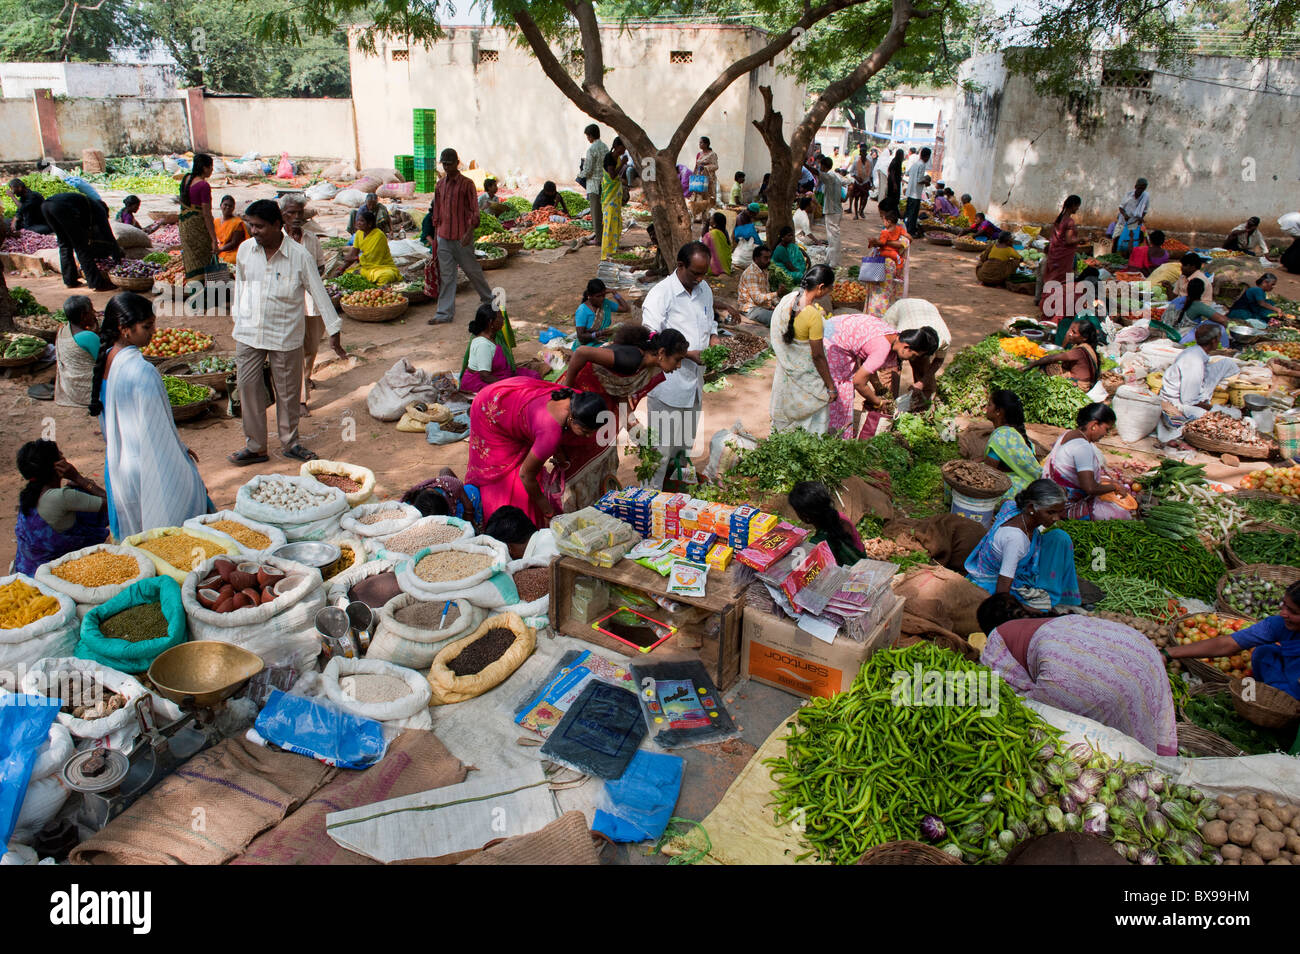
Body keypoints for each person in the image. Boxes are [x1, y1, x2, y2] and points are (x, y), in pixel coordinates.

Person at [977, 594, 1177, 756]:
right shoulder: (1052, 620)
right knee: (1129, 719)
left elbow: (992, 694)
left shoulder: (997, 638)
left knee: (1054, 731)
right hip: (1141, 650)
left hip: (1070, 672)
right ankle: (1147, 761)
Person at [228, 199, 343, 466]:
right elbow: (240, 287)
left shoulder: (299, 256)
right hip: (249, 332)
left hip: (284, 333)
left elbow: (318, 291)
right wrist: (237, 317)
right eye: (251, 225)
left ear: (278, 225)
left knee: (288, 392)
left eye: (259, 226)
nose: (254, 231)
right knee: (248, 388)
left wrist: (334, 329)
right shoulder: (245, 251)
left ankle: (290, 443)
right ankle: (256, 447)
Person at [88, 292, 211, 538]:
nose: (154, 331)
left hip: (120, 463)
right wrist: (179, 455)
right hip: (145, 463)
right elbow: (157, 432)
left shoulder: (108, 359)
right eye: (147, 326)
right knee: (167, 525)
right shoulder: (142, 372)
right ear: (125, 329)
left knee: (135, 530)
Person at [560, 325, 689, 508]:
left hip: (601, 403)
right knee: (579, 459)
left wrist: (636, 430)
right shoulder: (630, 359)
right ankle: (574, 509)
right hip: (580, 402)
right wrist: (567, 392)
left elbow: (619, 391)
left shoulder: (642, 364)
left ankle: (595, 507)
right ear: (661, 352)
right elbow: (581, 352)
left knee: (605, 455)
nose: (679, 366)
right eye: (678, 359)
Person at [641, 242, 724, 487]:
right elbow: (650, 338)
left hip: (694, 384)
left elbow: (710, 322)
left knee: (684, 445)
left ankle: (677, 491)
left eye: (703, 273)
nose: (700, 278)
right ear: (680, 266)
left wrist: (714, 338)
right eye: (695, 273)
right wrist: (687, 354)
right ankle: (650, 497)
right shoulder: (661, 294)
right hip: (669, 386)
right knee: (661, 449)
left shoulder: (704, 289)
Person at [465, 380, 604, 524]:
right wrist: (547, 511)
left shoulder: (577, 400)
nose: (589, 436)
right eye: (585, 431)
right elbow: (525, 475)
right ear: (572, 418)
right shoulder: (550, 435)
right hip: (489, 410)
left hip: (506, 397)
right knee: (506, 478)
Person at [1166, 581, 1300, 701]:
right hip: (1287, 677)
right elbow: (1228, 643)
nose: (1283, 613)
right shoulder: (1279, 624)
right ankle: (1272, 695)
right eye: (1284, 605)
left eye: (1293, 612)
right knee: (1264, 652)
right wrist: (1169, 653)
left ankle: (1283, 703)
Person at [965, 479, 1080, 610]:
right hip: (994, 581)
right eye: (1051, 512)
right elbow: (1003, 587)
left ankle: (1059, 594)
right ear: (1031, 508)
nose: (1056, 518)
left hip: (1016, 562)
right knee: (1039, 610)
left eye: (1059, 512)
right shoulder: (1016, 539)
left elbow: (1004, 502)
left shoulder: (1014, 507)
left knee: (1060, 537)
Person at [280, 194, 342, 414]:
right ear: (282, 214)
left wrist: (309, 277)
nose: (296, 217)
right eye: (291, 213)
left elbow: (321, 267)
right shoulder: (276, 239)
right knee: (294, 349)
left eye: (299, 212)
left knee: (311, 346)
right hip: (287, 303)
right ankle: (301, 399)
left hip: (311, 300)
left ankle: (306, 378)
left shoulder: (311, 239)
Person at [824, 316, 937, 438]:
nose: (913, 359)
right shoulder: (882, 348)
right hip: (832, 341)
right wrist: (878, 402)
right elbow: (858, 382)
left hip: (833, 330)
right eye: (914, 355)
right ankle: (835, 435)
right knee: (842, 388)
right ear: (906, 347)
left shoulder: (892, 334)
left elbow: (866, 359)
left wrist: (877, 387)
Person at [14, 440, 109, 576]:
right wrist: (78, 478)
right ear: (58, 466)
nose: (65, 459)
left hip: (25, 569)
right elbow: (114, 504)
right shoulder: (62, 497)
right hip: (49, 577)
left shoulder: (29, 495)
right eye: (61, 456)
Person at [770, 264, 837, 434]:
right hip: (807, 381)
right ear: (821, 287)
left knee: (786, 432)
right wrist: (830, 386)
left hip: (786, 379)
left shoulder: (787, 299)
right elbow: (818, 357)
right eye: (829, 289)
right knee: (811, 427)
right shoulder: (812, 315)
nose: (828, 293)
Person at [429, 148, 494, 325]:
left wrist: (469, 233)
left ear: (457, 163)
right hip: (443, 236)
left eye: (450, 164)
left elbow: (474, 211)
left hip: (461, 237)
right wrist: (436, 238)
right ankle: (444, 313)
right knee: (447, 276)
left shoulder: (467, 184)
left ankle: (489, 299)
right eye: (444, 164)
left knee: (472, 270)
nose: (447, 167)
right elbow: (437, 212)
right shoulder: (440, 185)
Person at [1041, 403, 1133, 520]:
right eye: (1106, 429)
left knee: (1108, 484)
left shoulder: (1069, 434)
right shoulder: (1082, 447)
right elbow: (1089, 488)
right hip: (1063, 504)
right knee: (1122, 514)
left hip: (1051, 492)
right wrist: (1115, 487)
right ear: (1094, 425)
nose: (1106, 434)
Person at [1156, 322, 1239, 449]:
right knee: (1227, 417)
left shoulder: (1195, 352)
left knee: (1227, 363)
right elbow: (1188, 400)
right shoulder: (1194, 362)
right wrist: (1212, 408)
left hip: (1189, 395)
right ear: (1213, 341)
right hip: (1177, 403)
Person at [40, 191, 120, 291]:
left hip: (46, 207)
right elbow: (108, 234)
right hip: (60, 207)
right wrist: (118, 256)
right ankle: (96, 283)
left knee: (64, 244)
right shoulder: (100, 211)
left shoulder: (86, 205)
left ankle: (70, 280)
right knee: (81, 247)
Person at [880, 298, 951, 408]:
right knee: (889, 370)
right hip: (901, 310)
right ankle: (887, 406)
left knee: (923, 370)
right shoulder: (903, 333)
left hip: (926, 309)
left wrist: (922, 383)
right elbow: (892, 361)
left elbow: (938, 360)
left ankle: (922, 408)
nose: (913, 358)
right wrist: (893, 395)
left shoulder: (945, 339)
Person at [460, 303, 543, 393]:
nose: (503, 320)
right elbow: (485, 375)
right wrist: (509, 385)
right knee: (523, 390)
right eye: (500, 317)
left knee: (533, 377)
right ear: (491, 322)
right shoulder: (483, 345)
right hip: (481, 382)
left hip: (497, 374)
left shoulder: (492, 336)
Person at [789, 480, 866, 566]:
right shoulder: (840, 517)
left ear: (805, 517)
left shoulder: (818, 543)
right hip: (863, 562)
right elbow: (859, 547)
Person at [983, 390, 1041, 500]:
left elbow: (987, 472)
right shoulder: (1016, 434)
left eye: (989, 404)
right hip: (1031, 486)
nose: (986, 407)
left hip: (1016, 490)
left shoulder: (1001, 436)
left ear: (998, 411)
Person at [178, 154, 225, 287]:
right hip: (197, 226)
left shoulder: (186, 178)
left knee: (191, 258)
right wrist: (213, 239)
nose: (212, 170)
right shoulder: (203, 185)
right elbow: (206, 214)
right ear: (205, 168)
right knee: (204, 257)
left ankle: (195, 293)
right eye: (211, 167)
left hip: (185, 225)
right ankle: (206, 294)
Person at [1024, 320, 1100, 390]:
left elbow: (1052, 358)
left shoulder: (1079, 351)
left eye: (1074, 332)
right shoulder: (1088, 347)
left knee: (1047, 365)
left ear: (1084, 338)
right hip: (1086, 383)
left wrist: (1029, 366)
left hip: (1080, 386)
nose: (1070, 334)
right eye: (1071, 330)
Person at [402, 468, 484, 532]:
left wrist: (469, 517)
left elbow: (445, 470)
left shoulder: (448, 484)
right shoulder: (409, 502)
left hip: (463, 498)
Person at [1040, 195, 1081, 320]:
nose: (1077, 209)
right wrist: (1083, 239)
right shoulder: (1069, 221)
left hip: (1055, 255)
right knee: (1060, 283)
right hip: (1063, 258)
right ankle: (1053, 310)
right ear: (1073, 205)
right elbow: (1069, 240)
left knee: (1052, 281)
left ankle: (1046, 305)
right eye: (1077, 206)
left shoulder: (1060, 219)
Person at [54, 294, 99, 408]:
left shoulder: (63, 330)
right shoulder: (89, 337)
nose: (94, 313)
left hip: (70, 389)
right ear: (83, 316)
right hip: (87, 392)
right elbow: (105, 363)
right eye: (91, 311)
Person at [864, 206, 910, 317]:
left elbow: (884, 243)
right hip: (888, 263)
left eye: (883, 219)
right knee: (883, 290)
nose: (883, 222)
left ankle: (878, 315)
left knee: (882, 291)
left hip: (885, 263)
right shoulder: (900, 230)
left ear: (889, 221)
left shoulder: (886, 233)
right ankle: (880, 314)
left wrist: (877, 242)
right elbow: (909, 238)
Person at [341, 209, 401, 285]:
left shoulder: (379, 235)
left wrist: (355, 258)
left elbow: (372, 256)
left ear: (369, 224)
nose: (358, 223)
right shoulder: (359, 233)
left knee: (386, 276)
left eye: (361, 221)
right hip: (365, 267)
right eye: (358, 220)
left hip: (381, 267)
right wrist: (341, 269)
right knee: (347, 274)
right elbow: (353, 253)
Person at [573, 278, 628, 347]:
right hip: (588, 345)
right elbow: (581, 336)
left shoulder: (606, 303)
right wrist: (598, 334)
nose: (601, 298)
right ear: (590, 296)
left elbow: (625, 308)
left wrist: (614, 292)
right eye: (598, 296)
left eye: (603, 295)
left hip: (604, 341)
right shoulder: (583, 310)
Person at [1172, 278, 1226, 347]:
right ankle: (1224, 347)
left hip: (1170, 333)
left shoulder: (1177, 300)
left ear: (1187, 289)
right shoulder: (1198, 306)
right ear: (1202, 291)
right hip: (1182, 338)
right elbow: (1223, 320)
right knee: (1219, 327)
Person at [738, 244, 780, 327]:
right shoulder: (751, 274)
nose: (769, 260)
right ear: (756, 259)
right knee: (777, 319)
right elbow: (758, 299)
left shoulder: (763, 271)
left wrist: (777, 304)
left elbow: (767, 291)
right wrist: (777, 293)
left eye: (769, 258)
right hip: (751, 309)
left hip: (761, 307)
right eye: (765, 258)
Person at [581, 125, 610, 245]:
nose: (587, 138)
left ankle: (599, 239)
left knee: (595, 213)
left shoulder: (591, 149)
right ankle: (604, 235)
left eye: (588, 136)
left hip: (593, 185)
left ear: (591, 135)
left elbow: (588, 170)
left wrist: (580, 174)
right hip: (604, 183)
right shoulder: (605, 147)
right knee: (602, 211)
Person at [1112, 178, 1150, 256]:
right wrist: (1125, 215)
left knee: (1136, 239)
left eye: (1143, 189)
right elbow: (1121, 207)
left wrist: (1141, 218)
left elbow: (1145, 211)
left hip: (1135, 222)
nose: (1141, 190)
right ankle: (1113, 255)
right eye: (1139, 188)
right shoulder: (1128, 195)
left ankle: (1132, 256)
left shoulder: (1146, 196)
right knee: (1116, 238)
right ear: (1135, 187)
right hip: (1123, 221)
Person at [818, 155, 845, 268]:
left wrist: (805, 165)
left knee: (834, 237)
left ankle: (833, 263)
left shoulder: (830, 177)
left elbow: (818, 173)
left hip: (832, 211)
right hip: (835, 210)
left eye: (821, 167)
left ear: (824, 167)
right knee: (832, 237)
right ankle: (830, 260)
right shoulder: (836, 176)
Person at [600, 151, 625, 262]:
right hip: (610, 198)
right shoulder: (610, 158)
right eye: (622, 147)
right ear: (617, 147)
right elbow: (612, 175)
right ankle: (606, 252)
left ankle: (613, 249)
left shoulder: (618, 158)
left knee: (615, 223)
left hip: (615, 198)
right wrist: (622, 164)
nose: (624, 150)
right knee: (609, 224)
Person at [902, 146, 931, 237]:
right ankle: (910, 232)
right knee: (913, 214)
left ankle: (906, 229)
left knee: (908, 212)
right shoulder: (922, 165)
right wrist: (926, 181)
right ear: (927, 157)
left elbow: (907, 173)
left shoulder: (915, 164)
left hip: (910, 192)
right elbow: (919, 180)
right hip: (916, 193)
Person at [213, 195, 247, 266]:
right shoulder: (216, 221)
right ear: (220, 205)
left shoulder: (237, 222)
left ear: (233, 208)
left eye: (230, 206)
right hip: (219, 248)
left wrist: (220, 250)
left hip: (232, 251)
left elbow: (234, 243)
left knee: (229, 260)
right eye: (225, 205)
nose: (228, 207)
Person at [701, 211, 732, 276]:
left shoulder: (712, 234)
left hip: (714, 268)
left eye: (711, 218)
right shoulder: (724, 231)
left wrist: (707, 224)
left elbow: (703, 241)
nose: (710, 219)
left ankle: (715, 268)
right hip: (726, 266)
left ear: (715, 224)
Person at [695, 136, 720, 207]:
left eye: (701, 143)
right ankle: (700, 214)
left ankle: (710, 213)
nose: (699, 144)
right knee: (700, 197)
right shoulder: (699, 154)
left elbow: (716, 166)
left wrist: (705, 167)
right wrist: (695, 175)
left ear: (706, 144)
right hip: (700, 178)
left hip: (709, 179)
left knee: (709, 197)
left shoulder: (712, 154)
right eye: (699, 143)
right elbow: (696, 166)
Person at [849, 145, 872, 220]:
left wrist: (870, 181)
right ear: (860, 154)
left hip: (865, 182)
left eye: (864, 153)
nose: (863, 155)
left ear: (866, 154)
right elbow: (851, 172)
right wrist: (857, 178)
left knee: (865, 197)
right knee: (856, 198)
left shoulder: (869, 162)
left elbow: (870, 173)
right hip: (858, 182)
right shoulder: (856, 162)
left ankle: (861, 210)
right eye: (861, 153)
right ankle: (856, 214)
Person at [878, 150, 904, 214]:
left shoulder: (897, 161)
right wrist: (894, 183)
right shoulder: (895, 162)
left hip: (895, 181)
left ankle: (893, 210)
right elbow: (892, 172)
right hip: (893, 182)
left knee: (894, 197)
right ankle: (891, 210)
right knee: (893, 197)